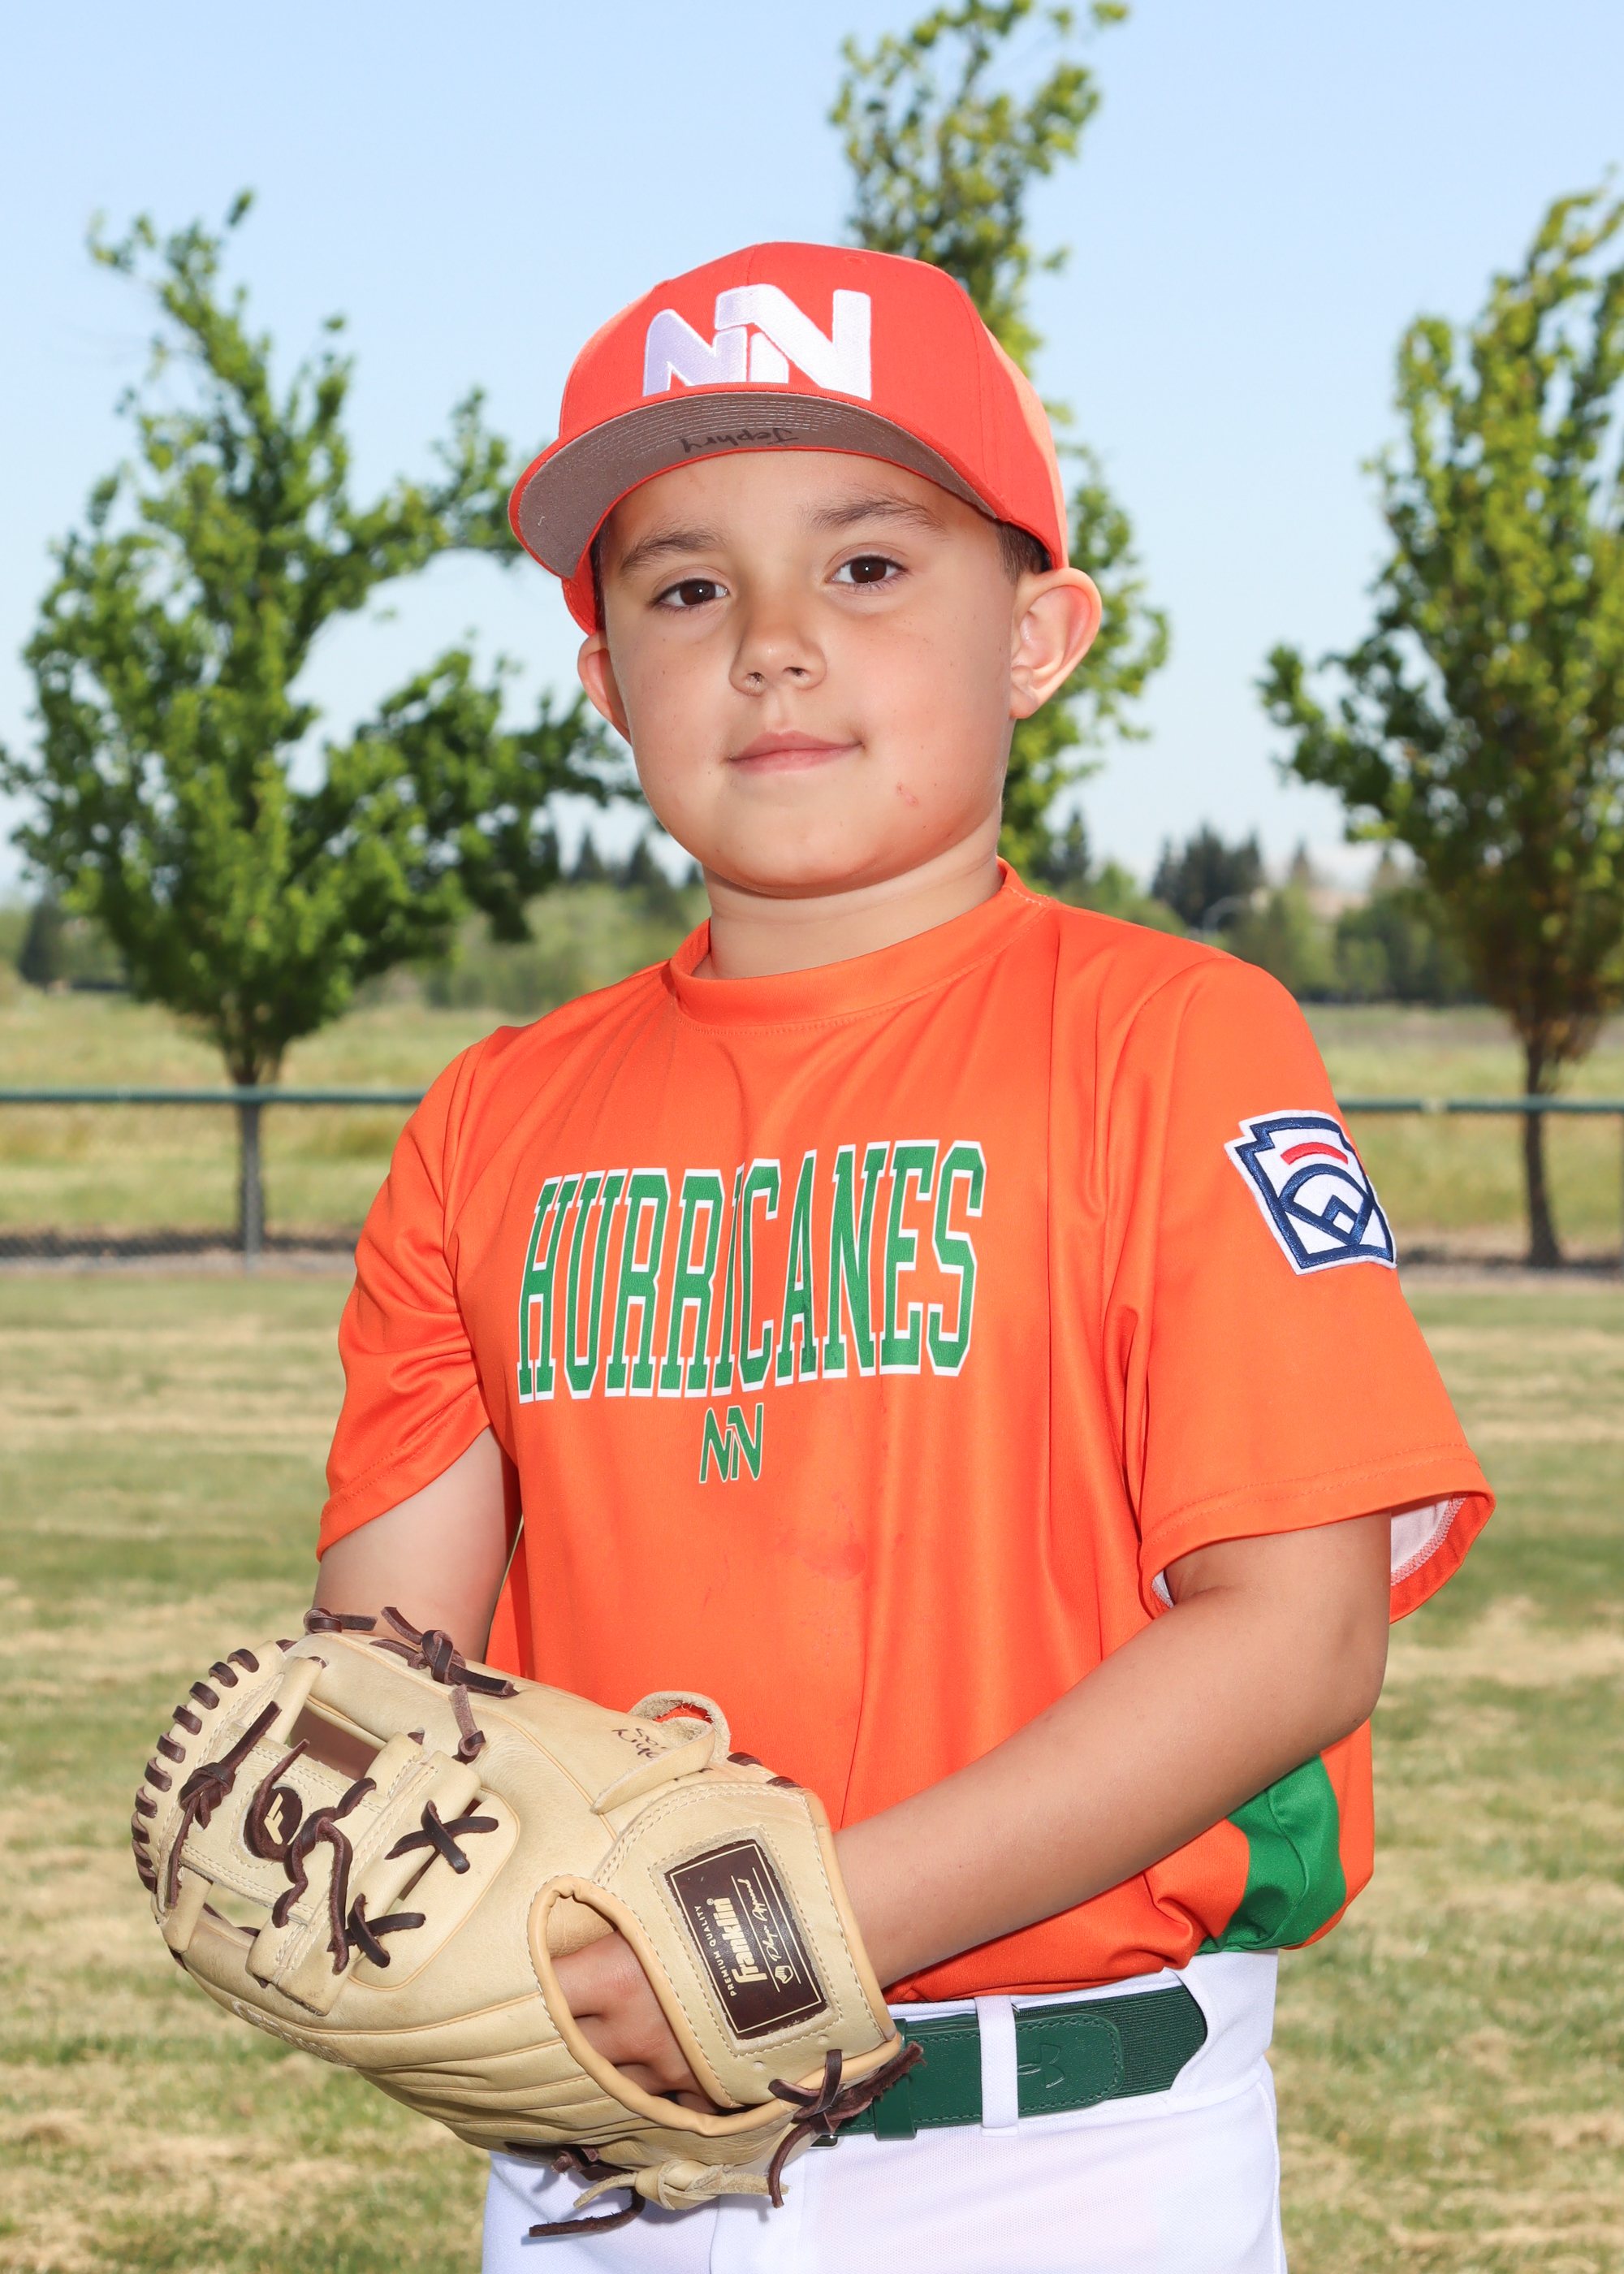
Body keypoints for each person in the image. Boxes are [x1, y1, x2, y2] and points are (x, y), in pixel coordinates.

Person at [313, 242, 1490, 2272]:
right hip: (603, 2155)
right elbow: (396, 1666)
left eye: (865, 565)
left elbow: (1295, 1634)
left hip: (1061, 2153)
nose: (774, 646)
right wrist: (369, 1833)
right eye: (686, 588)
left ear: (1036, 633)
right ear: (605, 681)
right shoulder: (491, 1118)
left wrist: (772, 1935)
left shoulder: (1170, 1038)